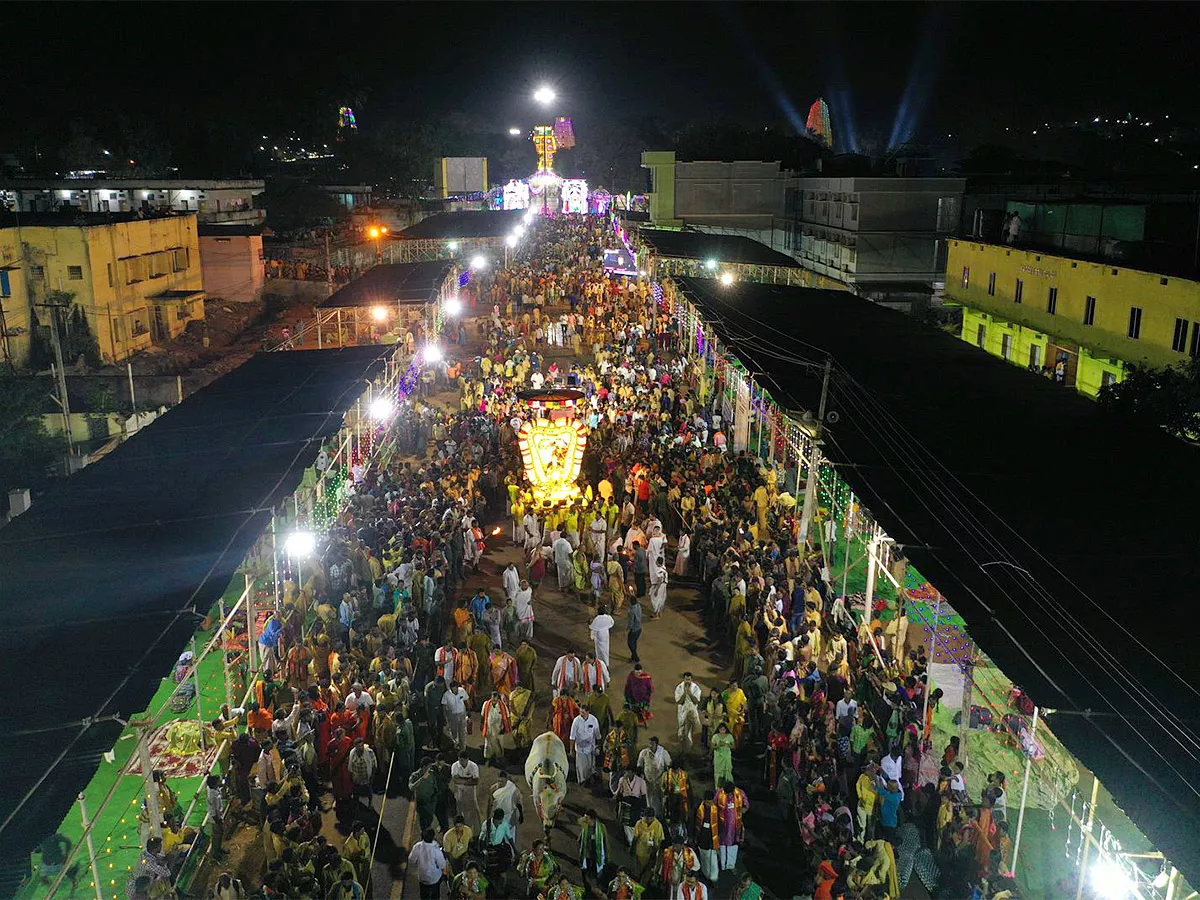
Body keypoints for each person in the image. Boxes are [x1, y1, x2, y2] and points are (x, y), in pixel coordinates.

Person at [715, 780, 750, 871]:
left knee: (733, 846)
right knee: (722, 845)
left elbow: (747, 805)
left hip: (735, 827)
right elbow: (714, 804)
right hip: (722, 825)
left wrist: (743, 809)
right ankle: (723, 865)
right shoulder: (720, 793)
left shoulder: (740, 793)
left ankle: (730, 865)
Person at [408, 827, 448, 900]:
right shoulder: (436, 850)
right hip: (434, 878)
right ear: (433, 837)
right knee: (435, 895)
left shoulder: (417, 846)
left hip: (423, 877)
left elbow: (411, 860)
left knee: (424, 895)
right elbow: (442, 864)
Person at [637, 736, 671, 817]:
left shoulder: (663, 753)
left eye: (652, 743)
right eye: (649, 743)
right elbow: (639, 765)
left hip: (660, 781)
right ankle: (650, 815)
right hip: (648, 781)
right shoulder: (644, 753)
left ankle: (660, 817)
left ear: (656, 744)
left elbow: (669, 765)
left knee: (660, 799)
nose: (650, 745)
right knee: (649, 799)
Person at [577, 808, 609, 890]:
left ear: (593, 819)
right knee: (585, 868)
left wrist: (606, 855)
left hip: (596, 854)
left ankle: (597, 883)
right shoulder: (585, 826)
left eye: (587, 818)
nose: (585, 819)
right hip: (587, 853)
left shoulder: (601, 827)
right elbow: (581, 835)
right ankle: (585, 882)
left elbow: (605, 842)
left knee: (596, 869)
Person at [569, 705, 602, 784]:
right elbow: (572, 736)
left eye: (583, 712)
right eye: (580, 712)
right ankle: (581, 781)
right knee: (580, 767)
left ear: (588, 712)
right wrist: (571, 749)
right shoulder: (576, 721)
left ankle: (589, 781)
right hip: (580, 749)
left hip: (590, 748)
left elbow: (597, 735)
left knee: (590, 767)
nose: (581, 714)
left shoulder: (593, 720)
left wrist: (599, 746)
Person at [631, 809, 664, 884]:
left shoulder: (658, 825)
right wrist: (632, 849)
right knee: (639, 871)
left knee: (648, 872)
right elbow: (635, 837)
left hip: (651, 853)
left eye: (650, 818)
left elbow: (659, 841)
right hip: (640, 852)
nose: (649, 820)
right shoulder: (639, 824)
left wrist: (655, 853)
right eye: (647, 817)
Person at [693, 790, 720, 882]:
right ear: (704, 800)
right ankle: (706, 875)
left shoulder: (715, 808)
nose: (710, 804)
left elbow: (719, 823)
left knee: (713, 859)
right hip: (702, 838)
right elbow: (693, 822)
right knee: (704, 858)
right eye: (708, 802)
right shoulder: (698, 808)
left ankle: (714, 877)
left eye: (712, 801)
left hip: (712, 838)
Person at [673, 673, 702, 756]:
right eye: (686, 679)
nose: (687, 681)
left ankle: (692, 750)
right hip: (682, 712)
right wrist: (684, 694)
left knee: (695, 730)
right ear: (684, 679)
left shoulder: (696, 688)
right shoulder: (679, 688)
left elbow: (696, 701)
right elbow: (679, 701)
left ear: (691, 679)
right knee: (682, 732)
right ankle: (683, 750)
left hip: (692, 711)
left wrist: (690, 694)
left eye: (689, 679)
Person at [450, 751, 481, 828]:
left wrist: (461, 780)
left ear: (467, 759)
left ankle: (478, 828)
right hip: (459, 790)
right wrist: (469, 780)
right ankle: (460, 825)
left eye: (462, 760)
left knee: (474, 809)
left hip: (470, 791)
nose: (460, 762)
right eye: (459, 760)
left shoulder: (473, 766)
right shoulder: (455, 765)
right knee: (459, 807)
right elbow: (455, 780)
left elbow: (476, 781)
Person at [481, 691, 513, 763]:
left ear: (498, 699)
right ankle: (489, 758)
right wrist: (481, 724)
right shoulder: (486, 704)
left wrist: (505, 728)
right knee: (488, 744)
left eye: (495, 699)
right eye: (493, 698)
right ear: (491, 697)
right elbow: (482, 715)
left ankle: (499, 757)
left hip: (499, 728)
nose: (494, 700)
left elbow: (507, 717)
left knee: (500, 743)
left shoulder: (503, 706)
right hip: (489, 727)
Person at [348, 737, 377, 808]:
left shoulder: (369, 752)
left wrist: (372, 778)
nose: (360, 748)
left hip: (366, 778)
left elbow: (374, 766)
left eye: (361, 746)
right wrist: (351, 777)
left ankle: (370, 803)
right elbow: (350, 766)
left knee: (369, 792)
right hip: (356, 779)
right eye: (358, 746)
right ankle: (356, 805)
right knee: (356, 793)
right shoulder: (352, 753)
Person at [443, 680, 470, 750]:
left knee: (462, 731)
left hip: (462, 714)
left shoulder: (462, 691)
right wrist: (445, 717)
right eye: (453, 689)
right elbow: (444, 706)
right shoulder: (446, 694)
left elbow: (466, 700)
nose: (454, 690)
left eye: (455, 688)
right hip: (452, 715)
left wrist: (468, 711)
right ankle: (455, 743)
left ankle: (462, 747)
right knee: (453, 731)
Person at [710, 722, 734, 789]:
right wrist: (718, 745)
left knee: (728, 772)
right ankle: (719, 789)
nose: (722, 731)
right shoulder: (715, 736)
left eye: (724, 729)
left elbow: (733, 746)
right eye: (721, 730)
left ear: (726, 729)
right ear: (719, 730)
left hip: (727, 757)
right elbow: (712, 747)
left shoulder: (729, 736)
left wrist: (727, 745)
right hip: (718, 758)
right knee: (719, 773)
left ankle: (729, 788)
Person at [626, 597, 643, 663]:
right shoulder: (638, 606)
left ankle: (635, 657)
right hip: (639, 628)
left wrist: (626, 630)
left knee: (630, 643)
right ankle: (633, 657)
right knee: (634, 643)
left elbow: (631, 622)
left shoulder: (632, 611)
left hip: (634, 630)